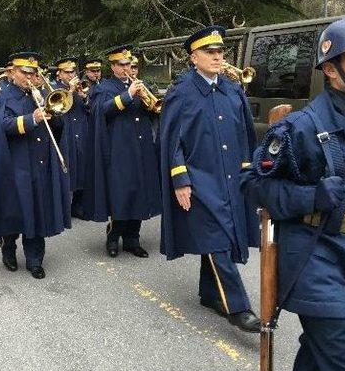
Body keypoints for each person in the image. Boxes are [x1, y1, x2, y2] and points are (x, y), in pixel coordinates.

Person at [242, 17, 345, 371]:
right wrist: (310, 196)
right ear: (331, 70)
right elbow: (255, 185)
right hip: (315, 256)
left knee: (319, 362)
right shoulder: (300, 127)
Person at [160, 26, 260, 333]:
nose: (218, 57)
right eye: (210, 52)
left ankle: (209, 293)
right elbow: (170, 140)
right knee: (217, 236)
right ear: (194, 57)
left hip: (230, 176)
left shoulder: (232, 89)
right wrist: (180, 180)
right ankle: (238, 307)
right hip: (201, 178)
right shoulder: (182, 91)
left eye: (220, 52)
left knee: (225, 234)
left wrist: (248, 170)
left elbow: (245, 133)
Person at [0, 52, 71, 279]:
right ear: (12, 72)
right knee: (14, 209)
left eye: (33, 72)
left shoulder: (39, 94)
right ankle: (8, 247)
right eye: (24, 72)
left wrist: (51, 110)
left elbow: (57, 129)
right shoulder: (2, 96)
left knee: (37, 208)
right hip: (14, 162)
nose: (29, 77)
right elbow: (0, 125)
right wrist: (32, 119)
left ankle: (34, 259)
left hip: (39, 160)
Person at [85, 45, 161, 258]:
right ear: (113, 66)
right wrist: (127, 95)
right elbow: (101, 110)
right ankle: (113, 235)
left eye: (130, 64)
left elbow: (152, 110)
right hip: (120, 147)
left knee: (140, 190)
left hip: (141, 145)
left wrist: (149, 103)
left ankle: (133, 240)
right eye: (122, 65)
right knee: (122, 192)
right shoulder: (104, 87)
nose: (127, 68)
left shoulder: (139, 85)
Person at [52, 57, 89, 219]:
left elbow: (90, 109)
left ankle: (78, 205)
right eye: (67, 72)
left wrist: (85, 97)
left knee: (81, 167)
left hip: (80, 132)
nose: (71, 75)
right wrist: (71, 91)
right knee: (64, 169)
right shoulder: (54, 90)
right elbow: (56, 112)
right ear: (59, 74)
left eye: (73, 72)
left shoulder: (82, 88)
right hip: (64, 133)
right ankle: (61, 207)